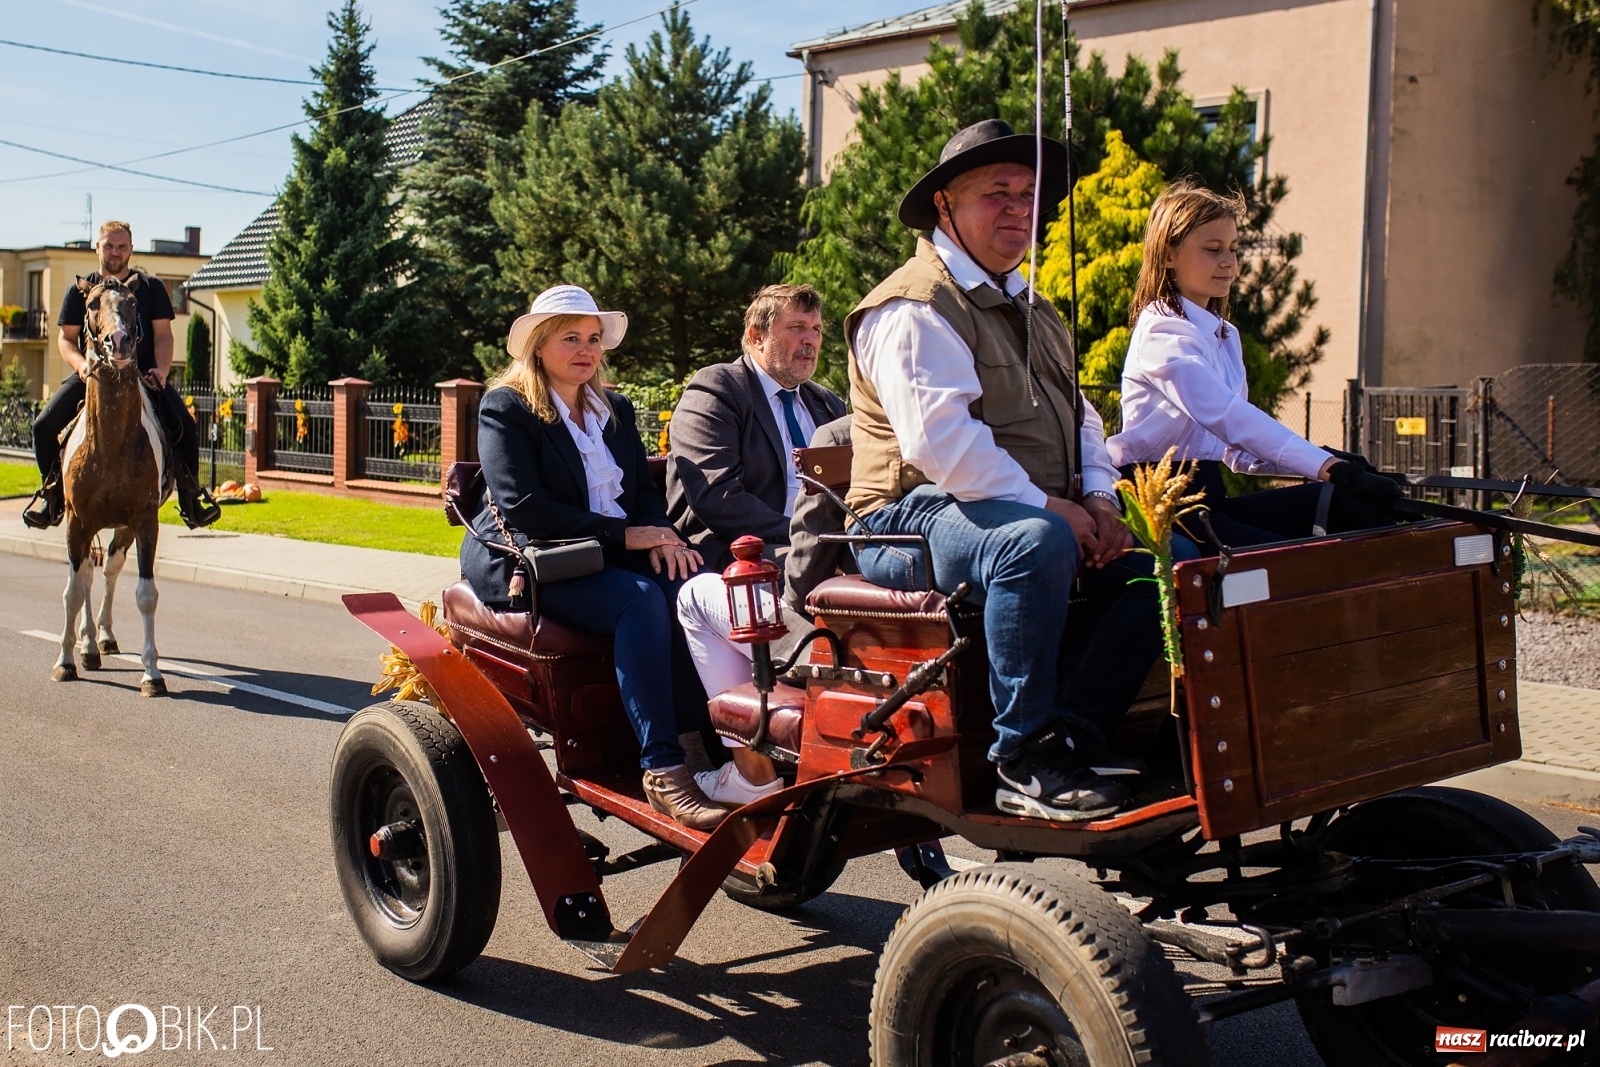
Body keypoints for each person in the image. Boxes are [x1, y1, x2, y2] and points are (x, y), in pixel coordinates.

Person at [844, 119, 1199, 822]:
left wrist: (1099, 498)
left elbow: (1084, 422)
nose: (1018, 210)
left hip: (1016, 508)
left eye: (1029, 195)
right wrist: (1051, 508)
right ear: (945, 205)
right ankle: (1022, 759)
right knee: (1032, 542)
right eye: (996, 193)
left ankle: (1076, 731)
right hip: (901, 518)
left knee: (1165, 560)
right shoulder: (912, 306)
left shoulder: (1034, 307)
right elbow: (940, 445)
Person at [459, 284, 722, 832]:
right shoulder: (505, 406)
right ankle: (663, 769)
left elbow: (644, 493)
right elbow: (524, 506)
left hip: (604, 548)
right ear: (538, 346)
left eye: (594, 339)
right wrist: (626, 539)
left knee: (694, 589)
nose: (586, 350)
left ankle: (706, 746)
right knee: (639, 599)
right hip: (534, 558)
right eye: (571, 338)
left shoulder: (616, 409)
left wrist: (664, 536)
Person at [1108, 179, 1403, 547]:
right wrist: (1327, 468)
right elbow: (1230, 417)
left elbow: (1239, 453)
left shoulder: (1225, 336)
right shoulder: (1161, 333)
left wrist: (1329, 463)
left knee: (1357, 506)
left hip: (1210, 501)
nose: (1229, 262)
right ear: (1168, 255)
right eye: (1213, 249)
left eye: (1234, 248)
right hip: (1164, 509)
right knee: (1285, 567)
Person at [675, 413, 855, 806]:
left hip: (845, 637)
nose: (810, 346)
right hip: (936, 624)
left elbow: (805, 578)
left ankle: (750, 772)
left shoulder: (840, 432)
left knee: (694, 595)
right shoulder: (979, 429)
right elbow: (717, 499)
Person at [24, 220, 219, 530]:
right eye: (109, 245)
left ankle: (191, 499)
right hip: (94, 376)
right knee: (43, 425)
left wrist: (163, 370)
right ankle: (52, 496)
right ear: (97, 247)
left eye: (122, 246)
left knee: (186, 426)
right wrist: (81, 366)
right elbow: (66, 339)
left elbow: (164, 335)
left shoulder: (151, 287)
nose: (115, 252)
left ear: (130, 249)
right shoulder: (82, 289)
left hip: (144, 377)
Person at [666, 284, 847, 569]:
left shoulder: (826, 404)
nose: (811, 339)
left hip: (822, 543)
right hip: (739, 550)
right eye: (798, 327)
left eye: (817, 329)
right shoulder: (718, 389)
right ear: (757, 335)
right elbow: (719, 498)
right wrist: (806, 537)